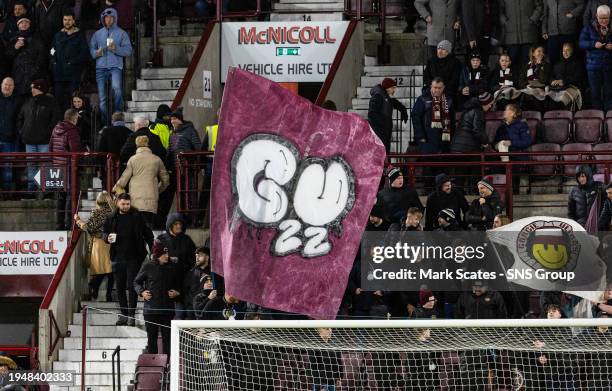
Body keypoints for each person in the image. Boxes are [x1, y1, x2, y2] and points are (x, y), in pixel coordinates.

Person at [103, 192, 154, 326]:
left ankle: (131, 315)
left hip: (134, 258)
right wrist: (106, 238)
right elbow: (104, 232)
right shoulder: (111, 217)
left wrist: (152, 250)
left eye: (128, 204)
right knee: (119, 287)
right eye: (123, 204)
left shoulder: (137, 216)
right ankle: (124, 315)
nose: (126, 206)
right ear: (117, 203)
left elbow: (148, 234)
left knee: (132, 287)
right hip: (117, 258)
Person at [134, 241, 181, 355]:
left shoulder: (173, 267)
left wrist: (177, 292)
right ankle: (153, 366)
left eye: (167, 253)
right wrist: (142, 292)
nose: (167, 256)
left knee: (168, 340)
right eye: (164, 254)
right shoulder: (148, 266)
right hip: (151, 311)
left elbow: (180, 284)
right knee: (152, 340)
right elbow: (136, 282)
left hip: (167, 310)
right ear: (157, 255)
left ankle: (168, 367)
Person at [113, 135, 169, 227]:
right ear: (147, 144)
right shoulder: (156, 159)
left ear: (137, 145)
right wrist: (158, 190)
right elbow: (166, 180)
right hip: (151, 199)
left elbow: (123, 180)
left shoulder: (133, 159)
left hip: (136, 200)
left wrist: (115, 188)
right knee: (148, 228)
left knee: (136, 227)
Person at [90, 8, 133, 126]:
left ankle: (118, 119)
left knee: (117, 89)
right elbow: (91, 51)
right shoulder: (97, 34)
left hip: (115, 67)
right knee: (103, 98)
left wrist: (116, 49)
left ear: (115, 18)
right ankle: (105, 124)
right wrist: (96, 53)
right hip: (100, 68)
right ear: (103, 19)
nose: (108, 19)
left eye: (110, 17)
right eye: (106, 17)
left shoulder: (122, 33)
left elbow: (128, 51)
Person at [17, 79, 61, 191]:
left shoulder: (51, 101)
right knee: (31, 165)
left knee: (45, 165)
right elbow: (20, 118)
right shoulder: (28, 101)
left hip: (45, 141)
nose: (31, 89)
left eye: (34, 87)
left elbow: (55, 119)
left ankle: (45, 190)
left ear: (40, 88)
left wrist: (47, 134)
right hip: (29, 141)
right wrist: (22, 132)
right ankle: (31, 190)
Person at [74, 191, 115, 302]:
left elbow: (89, 228)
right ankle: (108, 295)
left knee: (101, 270)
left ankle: (94, 286)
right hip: (112, 243)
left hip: (99, 243)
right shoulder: (114, 212)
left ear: (98, 201)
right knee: (111, 271)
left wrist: (78, 221)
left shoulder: (97, 212)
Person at [450, 92, 494, 190]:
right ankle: (474, 192)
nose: (491, 106)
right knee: (476, 169)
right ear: (485, 103)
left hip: (458, 146)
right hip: (469, 148)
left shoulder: (468, 110)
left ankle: (459, 194)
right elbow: (478, 130)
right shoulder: (478, 112)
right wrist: (486, 142)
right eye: (490, 104)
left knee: (460, 173)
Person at [156, 213, 197, 318]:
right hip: (165, 283)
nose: (179, 226)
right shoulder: (161, 239)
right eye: (175, 224)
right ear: (170, 225)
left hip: (182, 283)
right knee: (165, 317)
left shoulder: (186, 240)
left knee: (182, 314)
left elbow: (193, 260)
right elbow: (155, 260)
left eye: (180, 224)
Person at [48, 108, 83, 229]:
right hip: (69, 167)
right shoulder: (72, 131)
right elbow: (75, 150)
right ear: (73, 118)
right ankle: (69, 224)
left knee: (60, 196)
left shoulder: (55, 128)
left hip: (57, 168)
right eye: (77, 118)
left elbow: (50, 147)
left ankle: (59, 224)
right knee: (71, 195)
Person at [51, 10, 89, 111]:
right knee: (58, 100)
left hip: (73, 74)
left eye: (69, 20)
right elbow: (52, 50)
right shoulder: (57, 35)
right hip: (59, 74)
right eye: (65, 20)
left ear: (73, 21)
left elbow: (84, 53)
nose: (67, 22)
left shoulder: (80, 35)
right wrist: (53, 62)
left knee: (72, 101)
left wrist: (72, 62)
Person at [579, 4, 612, 111]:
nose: (603, 21)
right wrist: (593, 44)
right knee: (595, 94)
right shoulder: (588, 28)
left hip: (609, 66)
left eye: (606, 18)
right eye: (601, 18)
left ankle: (609, 119)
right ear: (596, 16)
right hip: (593, 66)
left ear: (610, 16)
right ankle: (597, 117)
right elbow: (581, 43)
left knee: (609, 93)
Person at [412, 77, 454, 154]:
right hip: (427, 140)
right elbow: (416, 117)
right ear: (431, 86)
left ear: (443, 88)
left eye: (439, 88)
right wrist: (420, 137)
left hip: (444, 141)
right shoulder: (422, 99)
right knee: (428, 164)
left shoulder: (448, 100)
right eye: (435, 87)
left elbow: (452, 120)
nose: (437, 90)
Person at [6, 17, 46, 97]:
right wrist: (15, 48)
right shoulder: (13, 39)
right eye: (21, 23)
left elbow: (42, 54)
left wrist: (36, 69)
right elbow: (7, 57)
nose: (24, 24)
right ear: (18, 25)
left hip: (33, 75)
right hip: (18, 76)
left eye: (26, 22)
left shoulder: (36, 38)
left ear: (29, 24)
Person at [367, 78, 408, 154]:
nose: (394, 90)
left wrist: (403, 111)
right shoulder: (378, 96)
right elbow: (371, 114)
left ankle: (387, 165)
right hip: (379, 131)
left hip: (385, 129)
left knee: (386, 151)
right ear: (387, 87)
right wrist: (383, 123)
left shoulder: (385, 96)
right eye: (393, 88)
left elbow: (395, 103)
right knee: (381, 152)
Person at [500, 0, 543, 71]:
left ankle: (528, 82)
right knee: (512, 65)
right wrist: (505, 22)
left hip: (528, 36)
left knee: (529, 65)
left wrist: (532, 20)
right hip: (511, 38)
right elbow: (500, 9)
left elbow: (540, 6)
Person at [542, 0, 584, 65]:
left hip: (568, 32)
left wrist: (573, 13)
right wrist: (544, 30)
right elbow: (545, 14)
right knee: (553, 58)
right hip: (552, 33)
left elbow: (582, 5)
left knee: (569, 59)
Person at [550, 42, 587, 109]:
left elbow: (578, 78)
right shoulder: (557, 64)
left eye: (568, 50)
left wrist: (563, 81)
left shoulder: (577, 64)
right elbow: (552, 76)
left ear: (572, 51)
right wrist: (552, 81)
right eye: (564, 50)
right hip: (558, 88)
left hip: (573, 87)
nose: (565, 52)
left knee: (564, 98)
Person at [0, 77, 20, 192]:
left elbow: (19, 120)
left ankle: (7, 192)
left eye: (10, 85)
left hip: (9, 140)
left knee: (7, 167)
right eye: (5, 84)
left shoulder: (17, 102)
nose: (7, 87)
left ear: (13, 87)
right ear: (1, 85)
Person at [183, 246, 210, 320]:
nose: (197, 258)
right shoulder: (191, 272)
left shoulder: (213, 273)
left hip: (207, 308)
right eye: (196, 256)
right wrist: (189, 304)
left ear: (207, 257)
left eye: (200, 256)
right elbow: (185, 289)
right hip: (192, 310)